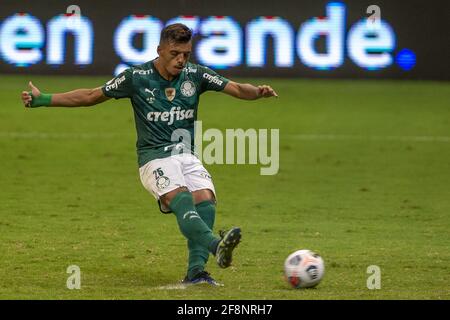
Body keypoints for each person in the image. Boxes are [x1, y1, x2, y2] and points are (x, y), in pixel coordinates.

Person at [21, 23, 278, 286]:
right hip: (153, 157)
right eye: (174, 53)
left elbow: (235, 88)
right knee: (182, 199)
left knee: (205, 199)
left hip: (186, 155)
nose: (181, 60)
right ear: (159, 50)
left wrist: (257, 92)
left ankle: (196, 272)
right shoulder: (136, 77)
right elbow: (90, 95)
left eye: (186, 54)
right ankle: (216, 246)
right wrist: (43, 99)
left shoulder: (196, 74)